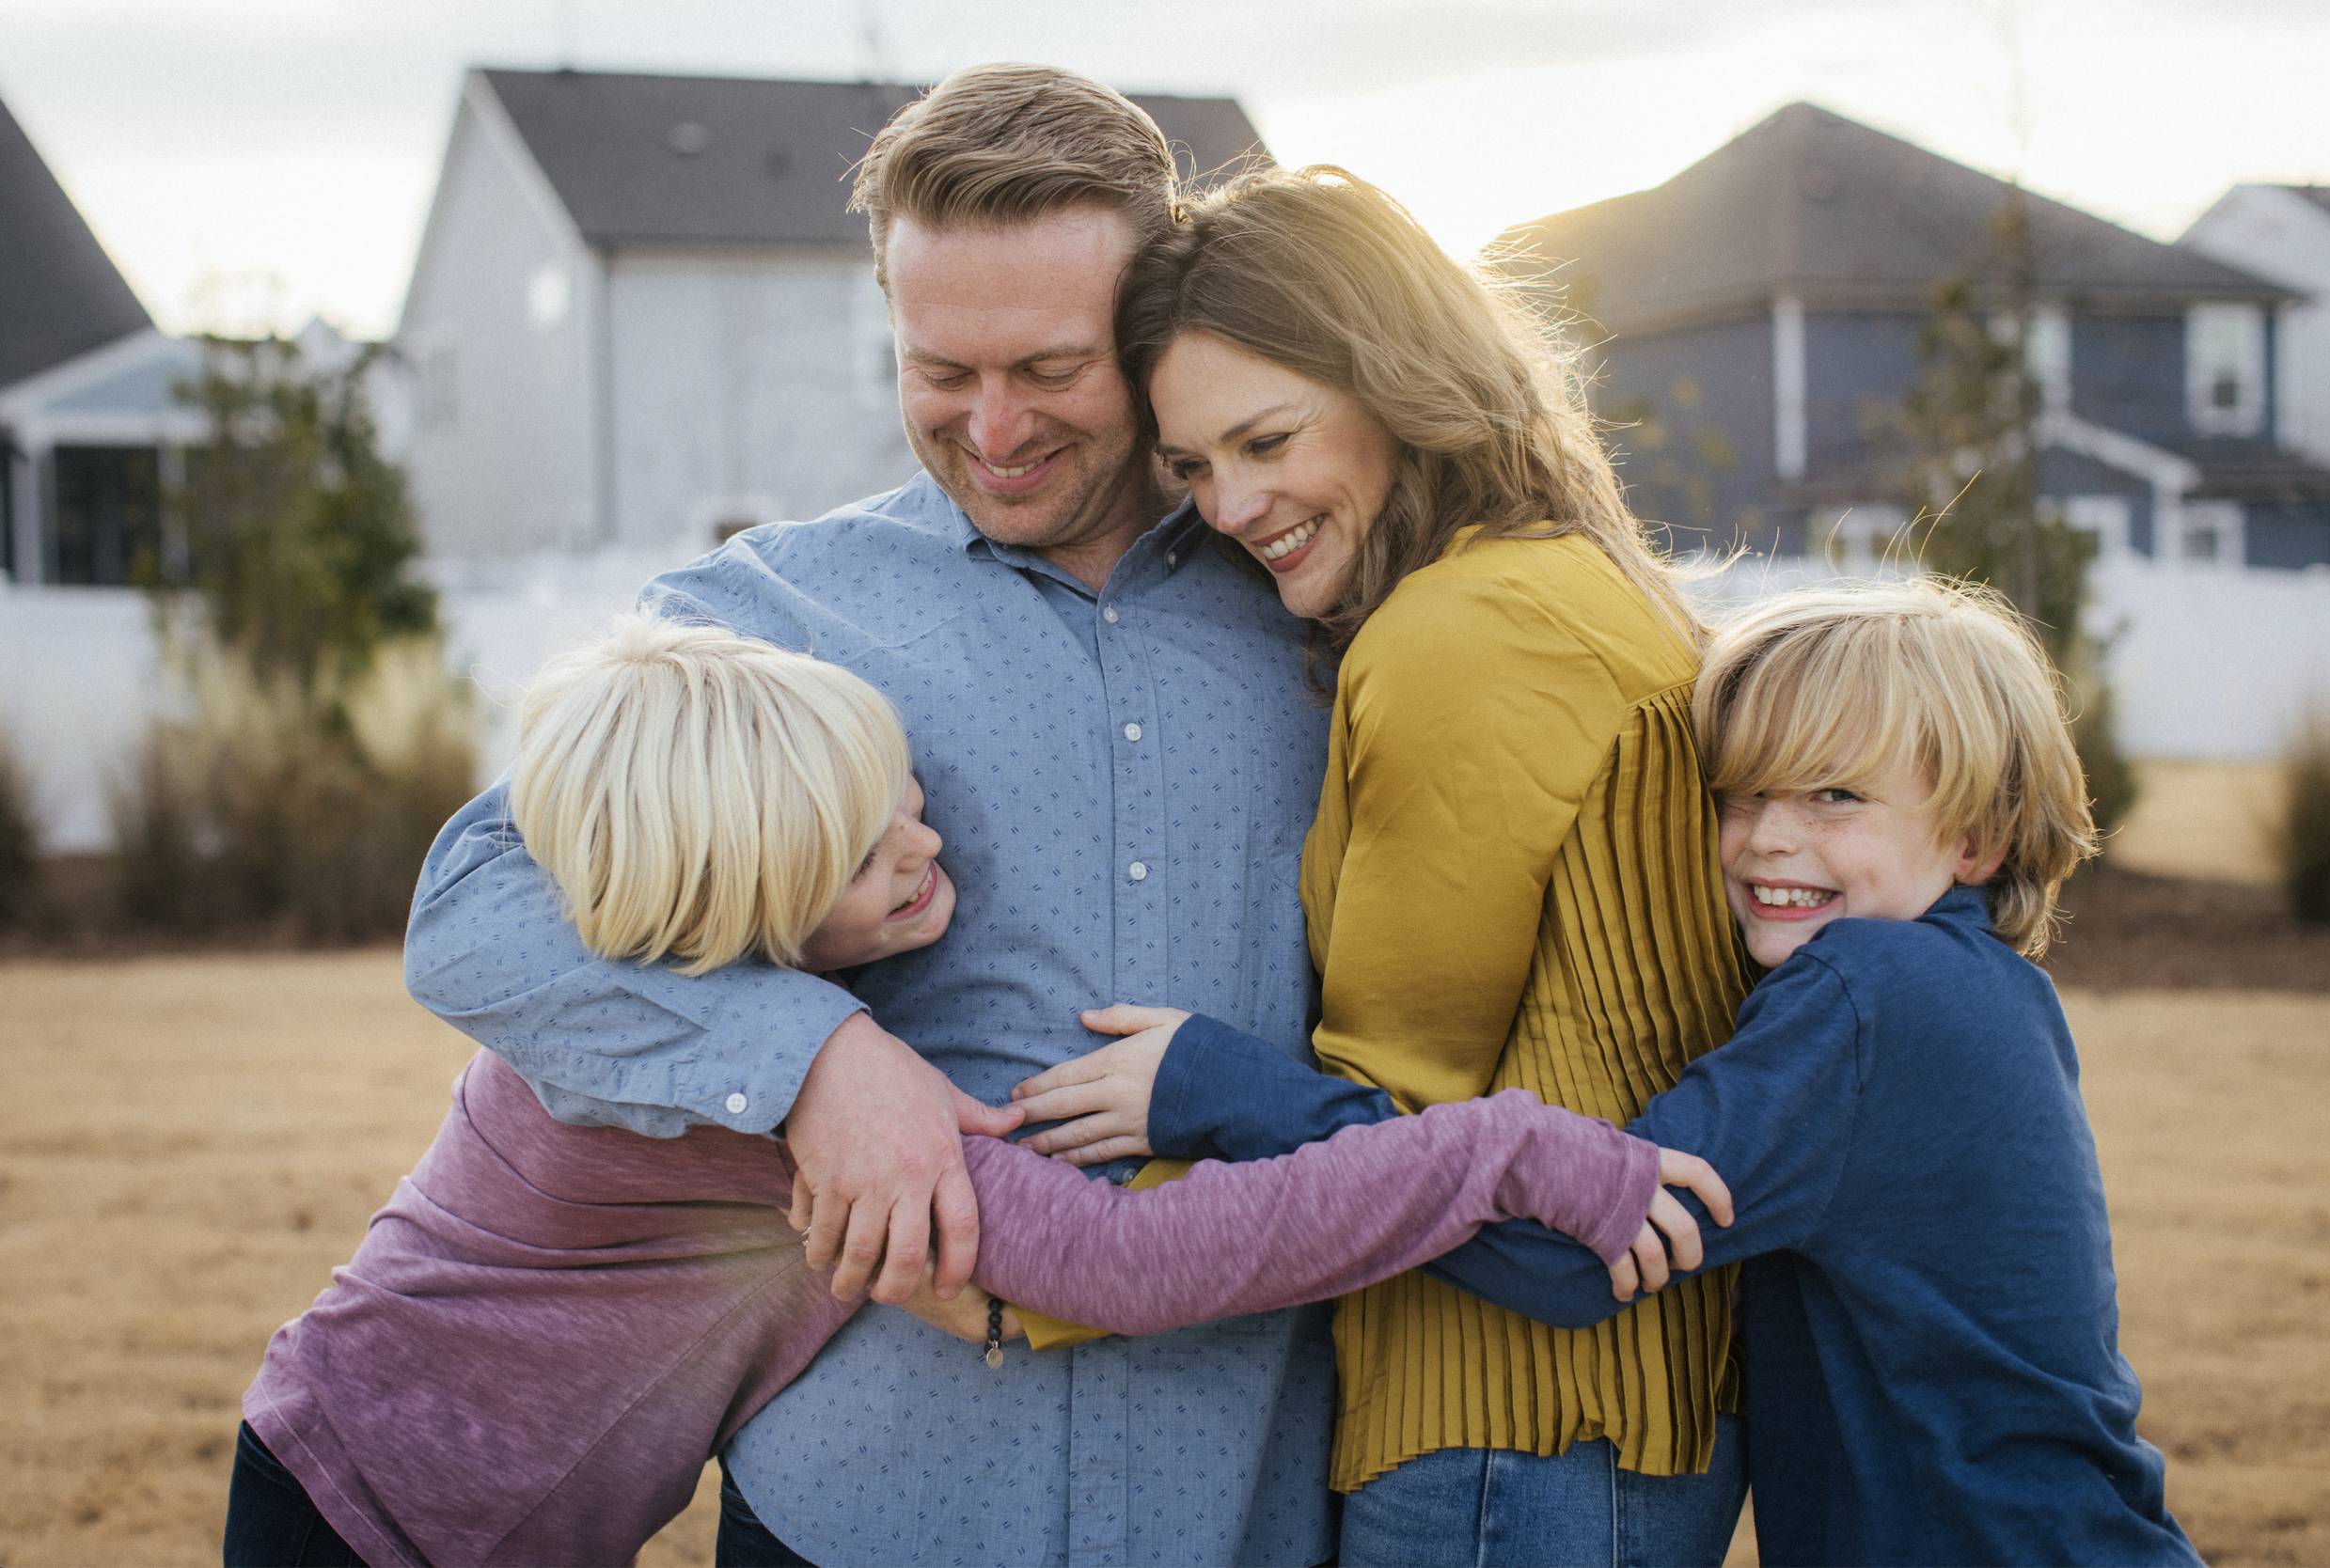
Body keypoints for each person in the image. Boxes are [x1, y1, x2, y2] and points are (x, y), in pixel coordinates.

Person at [404, 65, 1400, 1567]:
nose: (992, 429)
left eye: (1051, 370)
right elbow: (476, 911)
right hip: (863, 1498)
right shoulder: (768, 610)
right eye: (940, 368)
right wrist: (815, 1059)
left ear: (1150, 336)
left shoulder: (1323, 605)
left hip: (1244, 1492)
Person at [230, 613, 1724, 1568]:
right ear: (737, 918)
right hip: (377, 1507)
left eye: (907, 799)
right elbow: (1130, 1263)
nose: (923, 849)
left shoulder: (711, 1001)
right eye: (867, 860)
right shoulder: (721, 1100)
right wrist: (1500, 1150)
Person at [1078, 580, 2205, 1566]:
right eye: (1742, 794)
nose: (1767, 839)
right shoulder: (1987, 989)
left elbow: (1582, 1250)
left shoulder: (1867, 989)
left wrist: (1230, 1091)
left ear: (1977, 841)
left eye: (1835, 797)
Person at [1014, 166, 1754, 1564]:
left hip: (1509, 1432)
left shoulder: (1462, 636)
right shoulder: (1557, 585)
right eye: (1191, 467)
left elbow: (1396, 1139)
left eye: (1269, 438)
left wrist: (1046, 1276)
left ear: (1398, 382)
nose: (1229, 506)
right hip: (1601, 1428)